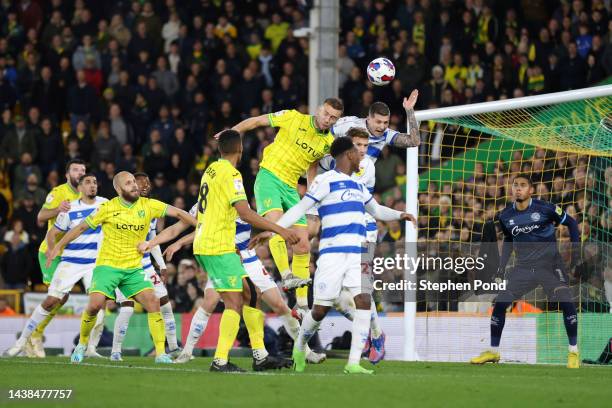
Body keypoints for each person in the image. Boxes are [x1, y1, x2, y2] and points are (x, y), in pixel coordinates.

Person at [250, 137, 416, 374]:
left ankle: (354, 363)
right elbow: (299, 209)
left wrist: (401, 215)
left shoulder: (359, 187)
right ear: (348, 154)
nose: (362, 158)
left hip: (357, 255)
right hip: (332, 256)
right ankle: (299, 346)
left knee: (364, 302)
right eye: (358, 154)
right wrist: (272, 230)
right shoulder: (324, 181)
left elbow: (377, 210)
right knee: (319, 310)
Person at [140, 202, 326, 366]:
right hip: (225, 258)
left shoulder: (236, 200)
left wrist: (275, 230)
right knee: (210, 301)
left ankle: (305, 351)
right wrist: (178, 242)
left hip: (248, 257)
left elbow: (259, 221)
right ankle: (188, 352)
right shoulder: (203, 204)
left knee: (279, 305)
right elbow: (198, 229)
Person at [46, 171, 196, 364]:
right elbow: (81, 227)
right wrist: (58, 246)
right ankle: (82, 344)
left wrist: (200, 225)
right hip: (108, 267)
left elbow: (179, 213)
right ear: (118, 189)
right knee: (94, 306)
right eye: (128, 183)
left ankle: (161, 353)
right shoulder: (107, 208)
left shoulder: (149, 205)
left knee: (153, 302)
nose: (134, 185)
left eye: (134, 181)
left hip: (133, 269)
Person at [180, 129, 299, 372]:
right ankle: (221, 361)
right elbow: (244, 212)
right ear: (241, 149)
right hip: (218, 246)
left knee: (251, 294)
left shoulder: (210, 170)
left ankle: (260, 355)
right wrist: (281, 230)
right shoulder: (232, 174)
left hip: (213, 244)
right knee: (234, 302)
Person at [216, 98, 344, 311]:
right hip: (269, 178)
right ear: (319, 109)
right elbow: (256, 121)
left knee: (303, 244)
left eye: (334, 118)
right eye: (326, 114)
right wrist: (232, 132)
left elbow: (311, 168)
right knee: (277, 227)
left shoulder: (327, 142)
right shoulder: (292, 117)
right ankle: (286, 276)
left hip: (291, 188)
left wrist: (311, 198)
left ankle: (302, 305)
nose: (328, 120)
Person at [470, 173, 581, 369]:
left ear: (531, 190)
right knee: (500, 303)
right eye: (515, 185)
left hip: (550, 266)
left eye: (522, 185)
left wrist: (576, 254)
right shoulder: (505, 215)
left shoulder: (545, 208)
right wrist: (501, 268)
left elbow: (571, 223)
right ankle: (493, 351)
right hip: (523, 268)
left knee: (565, 299)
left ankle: (573, 352)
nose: (518, 188)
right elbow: (509, 241)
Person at [307, 127, 387, 364]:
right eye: (358, 146)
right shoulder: (333, 168)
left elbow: (360, 201)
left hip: (364, 233)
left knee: (362, 289)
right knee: (338, 299)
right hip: (340, 236)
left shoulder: (367, 167)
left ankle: (376, 335)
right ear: (348, 149)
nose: (363, 151)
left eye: (365, 146)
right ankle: (372, 331)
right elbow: (314, 170)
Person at [3, 174, 107, 358]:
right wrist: (52, 251)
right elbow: (52, 233)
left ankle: (91, 348)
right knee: (52, 300)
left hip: (94, 264)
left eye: (95, 182)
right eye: (88, 182)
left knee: (98, 303)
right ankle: (21, 342)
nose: (93, 185)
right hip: (71, 262)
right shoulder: (70, 209)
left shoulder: (105, 204)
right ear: (80, 188)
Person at [110, 172, 182, 361]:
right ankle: (115, 351)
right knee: (127, 308)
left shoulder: (149, 208)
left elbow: (153, 239)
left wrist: (161, 265)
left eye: (147, 182)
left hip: (145, 266)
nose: (145, 186)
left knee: (165, 303)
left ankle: (173, 346)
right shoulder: (118, 207)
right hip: (123, 265)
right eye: (140, 182)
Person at [27, 159, 86, 358]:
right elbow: (41, 216)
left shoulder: (85, 195)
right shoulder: (58, 192)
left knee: (64, 296)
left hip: (71, 255)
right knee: (55, 296)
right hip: (50, 252)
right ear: (67, 174)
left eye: (83, 170)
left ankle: (35, 333)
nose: (80, 173)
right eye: (76, 170)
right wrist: (58, 209)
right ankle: (34, 334)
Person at [330, 90, 421, 162]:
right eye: (378, 122)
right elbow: (322, 130)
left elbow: (414, 141)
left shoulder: (386, 134)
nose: (382, 127)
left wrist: (409, 111)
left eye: (386, 122)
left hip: (362, 183)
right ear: (368, 119)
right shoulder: (350, 124)